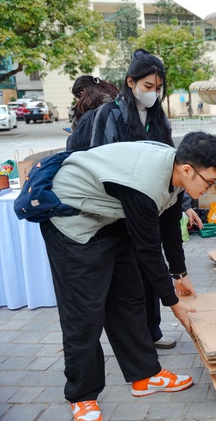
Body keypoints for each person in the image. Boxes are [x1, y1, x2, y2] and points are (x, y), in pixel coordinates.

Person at [40, 132, 216, 421]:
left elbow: (168, 222)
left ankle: (146, 376)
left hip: (110, 218)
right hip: (73, 223)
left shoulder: (175, 174)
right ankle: (82, 395)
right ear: (188, 169)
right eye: (210, 182)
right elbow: (148, 249)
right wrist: (172, 303)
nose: (211, 188)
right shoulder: (144, 184)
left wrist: (179, 273)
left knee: (129, 300)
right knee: (85, 313)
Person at [70, 49, 201, 350]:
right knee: (129, 274)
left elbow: (172, 166)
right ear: (131, 83)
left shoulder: (159, 117)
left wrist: (184, 206)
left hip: (150, 203)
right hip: (116, 207)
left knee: (149, 262)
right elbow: (98, 161)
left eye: (158, 88)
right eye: (147, 87)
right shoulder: (110, 114)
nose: (153, 94)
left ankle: (152, 330)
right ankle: (134, 338)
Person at [65, 76, 119, 148]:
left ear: (82, 94)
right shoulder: (116, 105)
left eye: (76, 100)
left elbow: (76, 147)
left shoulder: (89, 116)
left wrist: (71, 137)